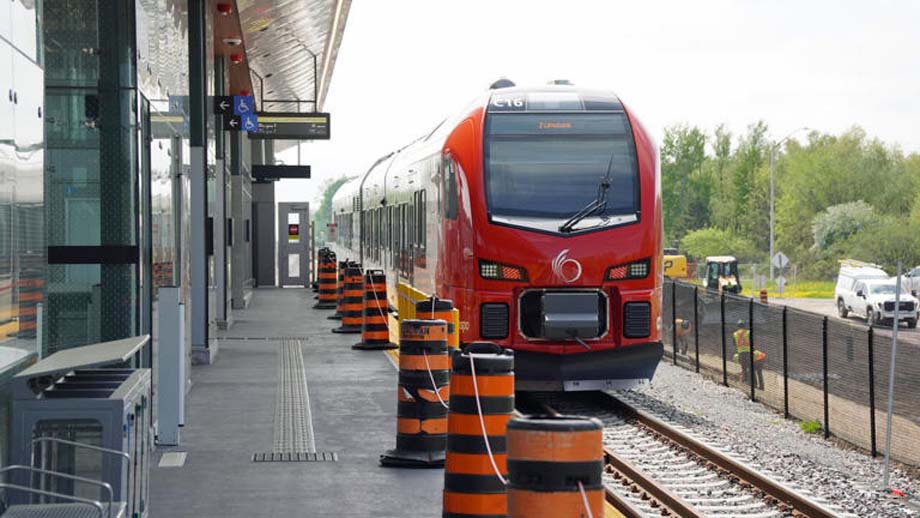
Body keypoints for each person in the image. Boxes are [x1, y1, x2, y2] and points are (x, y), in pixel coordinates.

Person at [732, 320, 765, 389]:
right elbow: (751, 341)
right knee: (751, 368)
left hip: (741, 353)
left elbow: (734, 344)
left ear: (737, 326)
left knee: (744, 368)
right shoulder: (748, 332)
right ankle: (754, 384)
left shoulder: (735, 334)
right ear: (744, 326)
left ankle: (747, 383)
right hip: (748, 352)